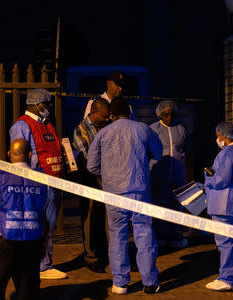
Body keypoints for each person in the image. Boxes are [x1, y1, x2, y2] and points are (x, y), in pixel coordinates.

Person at [87, 97, 163, 295]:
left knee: (117, 236)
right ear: (129, 112)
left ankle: (120, 283)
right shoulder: (143, 129)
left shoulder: (103, 133)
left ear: (111, 114)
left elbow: (91, 166)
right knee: (144, 233)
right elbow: (158, 153)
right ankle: (150, 281)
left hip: (113, 192)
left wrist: (107, 175)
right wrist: (147, 168)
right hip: (139, 189)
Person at [0, 139, 55, 300]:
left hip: (2, 242)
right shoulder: (43, 180)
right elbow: (50, 217)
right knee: (27, 293)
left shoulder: (0, 178)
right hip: (31, 243)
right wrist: (44, 241)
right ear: (29, 154)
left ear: (8, 155)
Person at [9, 88, 66, 280]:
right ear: (35, 104)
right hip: (36, 184)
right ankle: (39, 266)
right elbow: (18, 158)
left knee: (49, 226)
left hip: (53, 182)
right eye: (46, 104)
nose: (49, 107)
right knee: (37, 225)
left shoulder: (47, 124)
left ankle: (43, 263)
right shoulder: (22, 126)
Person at [204, 122, 233, 291]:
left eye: (218, 136)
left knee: (225, 242)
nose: (217, 139)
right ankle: (232, 277)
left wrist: (208, 177)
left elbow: (221, 179)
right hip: (229, 204)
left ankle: (227, 279)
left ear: (226, 137)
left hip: (224, 205)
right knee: (230, 242)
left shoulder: (228, 154)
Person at [72, 97, 110, 273]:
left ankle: (105, 253)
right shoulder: (81, 130)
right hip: (90, 179)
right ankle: (91, 257)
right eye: (104, 116)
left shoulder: (105, 126)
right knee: (90, 218)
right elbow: (88, 158)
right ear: (93, 113)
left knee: (105, 218)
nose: (107, 119)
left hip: (105, 177)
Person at [149, 100, 190, 248]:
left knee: (176, 206)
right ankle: (160, 237)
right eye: (165, 115)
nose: (169, 117)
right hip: (159, 174)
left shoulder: (181, 129)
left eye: (171, 114)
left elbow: (186, 149)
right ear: (160, 115)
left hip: (177, 174)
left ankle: (176, 237)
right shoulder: (153, 130)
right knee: (159, 205)